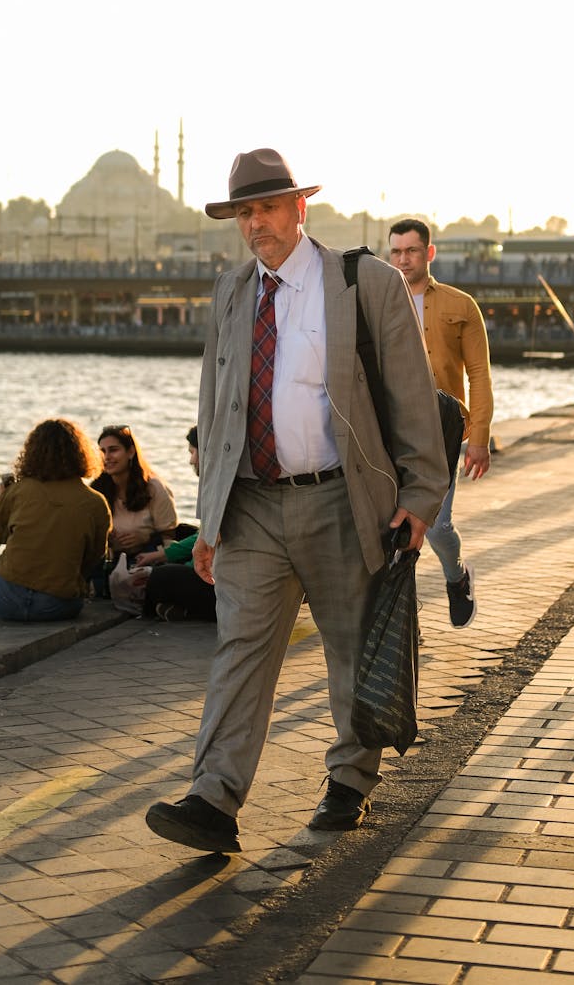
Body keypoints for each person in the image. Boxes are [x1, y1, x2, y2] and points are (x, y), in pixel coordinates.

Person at [145, 148, 448, 854]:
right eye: (244, 212)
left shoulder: (363, 283)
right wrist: (211, 518)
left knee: (350, 649)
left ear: (299, 208)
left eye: (268, 207)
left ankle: (349, 782)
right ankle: (212, 802)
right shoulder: (229, 293)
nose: (256, 224)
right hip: (250, 504)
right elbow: (217, 409)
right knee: (240, 651)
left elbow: (410, 396)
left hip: (342, 500)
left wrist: (424, 495)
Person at [388, 219, 494, 629]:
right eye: (396, 252)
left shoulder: (460, 305)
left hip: (443, 432)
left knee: (436, 527)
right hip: (392, 433)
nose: (403, 259)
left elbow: (479, 375)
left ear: (428, 253)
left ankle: (457, 576)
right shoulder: (378, 302)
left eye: (411, 251)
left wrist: (480, 439)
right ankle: (404, 624)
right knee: (393, 530)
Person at [0, 418, 111, 626]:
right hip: (58, 604)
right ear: (80, 454)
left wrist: (0, 498)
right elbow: (94, 557)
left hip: (8, 597)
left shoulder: (19, 490)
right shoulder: (96, 502)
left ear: (32, 452)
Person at [135, 426, 216, 622]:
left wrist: (159, 557)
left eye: (192, 452)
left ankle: (147, 615)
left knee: (159, 576)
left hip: (217, 579)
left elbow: (208, 536)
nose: (191, 460)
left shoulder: (215, 487)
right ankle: (185, 610)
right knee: (184, 532)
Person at [91, 425, 178, 565]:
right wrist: (108, 541)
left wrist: (145, 538)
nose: (106, 457)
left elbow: (170, 534)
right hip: (110, 562)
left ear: (131, 452)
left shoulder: (154, 488)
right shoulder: (96, 490)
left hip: (149, 560)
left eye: (113, 450)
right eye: (102, 451)